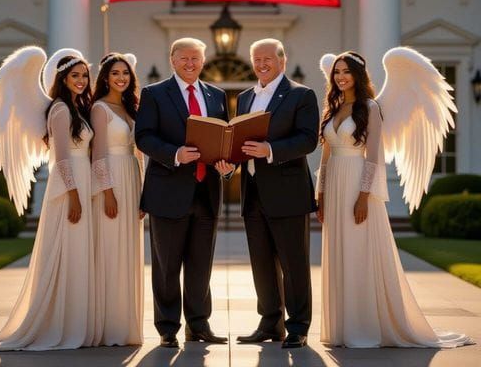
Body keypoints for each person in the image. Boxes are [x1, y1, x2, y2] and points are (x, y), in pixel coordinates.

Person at [317, 52, 472, 347]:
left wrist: (364, 196)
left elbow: (373, 156)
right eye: (336, 71)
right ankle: (341, 327)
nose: (340, 76)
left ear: (358, 75)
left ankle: (363, 327)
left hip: (357, 185)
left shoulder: (370, 107)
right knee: (339, 253)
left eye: (346, 71)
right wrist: (321, 195)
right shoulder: (333, 107)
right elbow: (325, 157)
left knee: (358, 253)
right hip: (334, 187)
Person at [0, 53, 96, 350]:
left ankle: (75, 319)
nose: (81, 81)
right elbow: (62, 158)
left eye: (84, 76)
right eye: (75, 76)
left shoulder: (79, 108)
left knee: (78, 254)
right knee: (65, 251)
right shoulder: (61, 109)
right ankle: (58, 322)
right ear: (63, 79)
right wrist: (75, 196)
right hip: (68, 185)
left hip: (81, 180)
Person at [134, 37, 232, 347]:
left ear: (203, 62)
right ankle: (167, 329)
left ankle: (199, 325)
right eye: (184, 58)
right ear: (172, 60)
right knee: (166, 266)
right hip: (167, 192)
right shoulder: (154, 94)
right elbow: (144, 137)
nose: (190, 64)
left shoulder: (216, 95)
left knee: (201, 265)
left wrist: (228, 165)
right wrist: (175, 153)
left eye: (196, 59)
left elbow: (226, 138)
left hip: (207, 192)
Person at [234, 39, 318, 348]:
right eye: (257, 59)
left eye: (268, 58)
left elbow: (308, 140)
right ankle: (270, 323)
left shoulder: (302, 95)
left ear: (282, 61)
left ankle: (297, 325)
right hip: (252, 192)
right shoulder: (244, 98)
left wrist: (270, 149)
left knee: (293, 264)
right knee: (262, 264)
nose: (261, 64)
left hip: (287, 193)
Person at [90, 53, 145, 347]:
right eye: (115, 73)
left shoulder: (130, 107)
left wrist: (144, 191)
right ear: (105, 77)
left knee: (129, 250)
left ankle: (125, 325)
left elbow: (139, 151)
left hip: (131, 178)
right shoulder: (99, 108)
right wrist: (108, 192)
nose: (121, 77)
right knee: (110, 249)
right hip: (110, 180)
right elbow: (97, 153)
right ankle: (108, 325)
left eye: (125, 73)